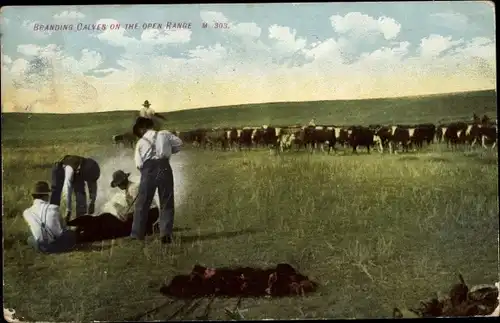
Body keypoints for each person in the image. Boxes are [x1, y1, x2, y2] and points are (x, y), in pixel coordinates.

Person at [130, 116, 183, 244]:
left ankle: (137, 235)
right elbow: (179, 144)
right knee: (166, 201)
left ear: (143, 128)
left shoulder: (140, 142)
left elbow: (138, 164)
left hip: (148, 170)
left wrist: (147, 172)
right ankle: (165, 234)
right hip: (164, 167)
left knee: (143, 203)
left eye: (139, 130)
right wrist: (168, 152)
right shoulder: (165, 134)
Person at [22, 181, 77, 253]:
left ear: (33, 197)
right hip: (57, 244)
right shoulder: (54, 208)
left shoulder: (26, 213)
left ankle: (44, 249)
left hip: (42, 247)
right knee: (71, 233)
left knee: (30, 239)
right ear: (46, 196)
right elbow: (63, 228)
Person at [50, 155, 101, 222]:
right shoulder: (70, 170)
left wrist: (92, 203)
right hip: (60, 170)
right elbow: (67, 189)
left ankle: (81, 220)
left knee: (81, 195)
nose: (90, 183)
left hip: (78, 171)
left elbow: (93, 185)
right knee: (56, 192)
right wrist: (68, 210)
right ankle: (52, 217)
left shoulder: (90, 168)